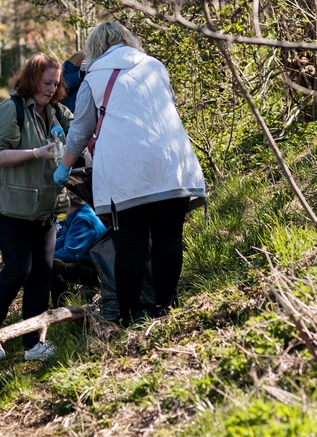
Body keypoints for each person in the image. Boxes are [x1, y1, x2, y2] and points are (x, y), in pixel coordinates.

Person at [53, 21, 206, 326]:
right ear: (128, 39)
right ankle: (165, 308)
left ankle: (126, 315)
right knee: (169, 238)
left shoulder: (93, 79)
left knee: (130, 244)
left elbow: (80, 130)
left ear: (95, 47)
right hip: (172, 163)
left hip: (126, 174)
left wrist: (64, 166)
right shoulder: (155, 67)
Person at [0, 53, 74, 361]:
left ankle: (33, 344)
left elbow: (84, 135)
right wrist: (36, 152)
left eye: (56, 83)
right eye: (47, 82)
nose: (51, 89)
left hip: (43, 207)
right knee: (19, 269)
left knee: (42, 275)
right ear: (32, 79)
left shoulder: (59, 113)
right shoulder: (11, 111)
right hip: (8, 207)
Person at [51, 191, 107, 307]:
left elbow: (71, 253)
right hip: (85, 263)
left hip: (98, 270)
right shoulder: (75, 215)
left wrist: (41, 258)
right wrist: (39, 253)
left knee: (53, 266)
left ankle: (62, 306)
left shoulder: (84, 218)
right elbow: (61, 242)